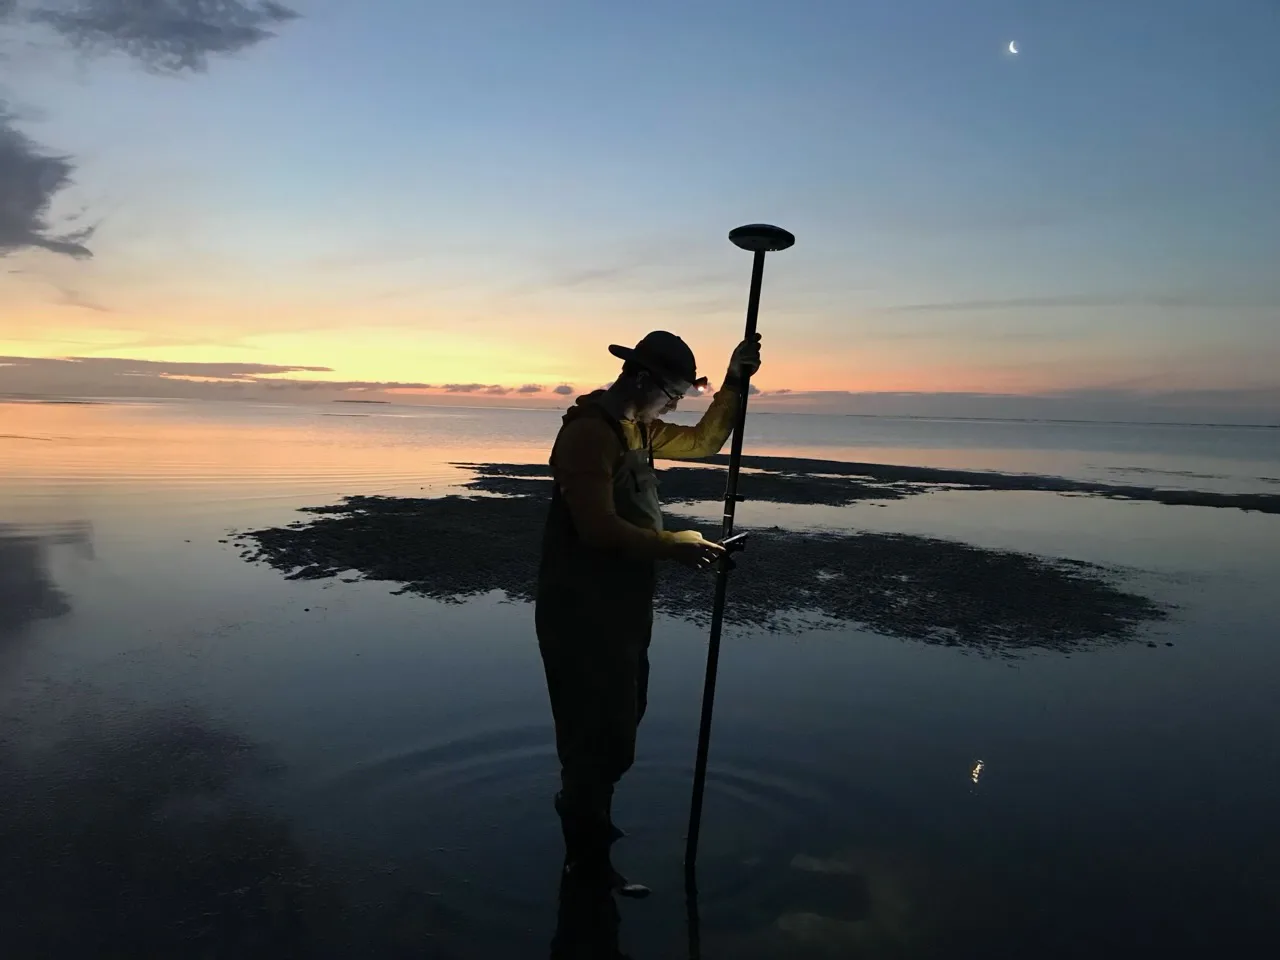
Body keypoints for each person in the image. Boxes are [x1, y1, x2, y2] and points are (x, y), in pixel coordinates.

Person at [535, 329, 763, 897]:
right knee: (594, 733)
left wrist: (734, 382)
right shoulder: (590, 436)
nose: (675, 405)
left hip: (624, 606)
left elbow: (708, 442)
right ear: (640, 380)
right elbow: (596, 528)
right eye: (673, 394)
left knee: (619, 723)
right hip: (581, 613)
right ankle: (584, 868)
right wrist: (673, 546)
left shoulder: (637, 428)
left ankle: (594, 838)